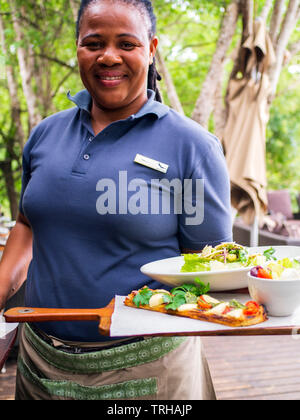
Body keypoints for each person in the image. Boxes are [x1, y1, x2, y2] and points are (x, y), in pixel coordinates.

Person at [0, 0, 233, 400]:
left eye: (126, 43)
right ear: (77, 48)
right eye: (94, 43)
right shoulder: (44, 136)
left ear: (151, 48)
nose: (109, 56)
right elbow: (26, 224)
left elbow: (208, 263)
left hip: (148, 370)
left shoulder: (191, 147)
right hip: (40, 363)